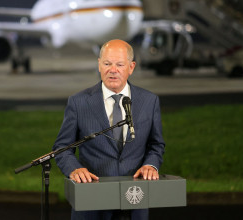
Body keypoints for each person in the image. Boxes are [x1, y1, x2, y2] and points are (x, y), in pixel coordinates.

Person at [52, 39, 165, 220]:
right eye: (107, 63)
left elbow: (156, 144)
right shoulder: (79, 102)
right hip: (91, 204)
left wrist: (150, 165)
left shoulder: (149, 101)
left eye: (119, 64)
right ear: (99, 65)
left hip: (134, 202)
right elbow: (62, 148)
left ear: (131, 67)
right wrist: (74, 169)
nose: (113, 70)